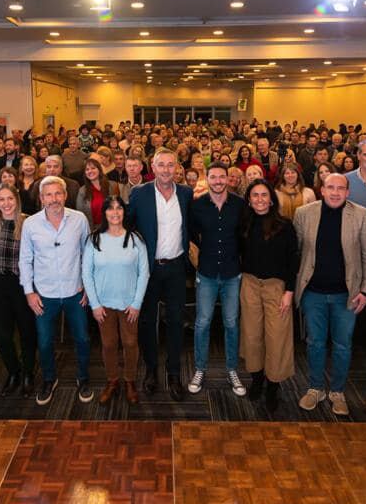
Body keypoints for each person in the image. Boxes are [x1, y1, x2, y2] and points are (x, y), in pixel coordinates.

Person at [293, 173, 366, 416]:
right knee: (315, 343)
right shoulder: (304, 213)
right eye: (330, 187)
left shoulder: (360, 214)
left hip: (347, 294)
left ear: (348, 192)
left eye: (341, 188)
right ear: (322, 189)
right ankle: (315, 388)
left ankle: (337, 392)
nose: (335, 192)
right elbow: (296, 252)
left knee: (342, 345)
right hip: (313, 293)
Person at [126, 148, 194, 401]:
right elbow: (128, 228)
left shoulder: (186, 194)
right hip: (148, 269)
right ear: (152, 168)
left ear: (177, 168)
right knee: (147, 321)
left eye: (170, 165)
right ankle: (151, 370)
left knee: (176, 321)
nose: (166, 170)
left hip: (176, 267)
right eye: (161, 165)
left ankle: (174, 373)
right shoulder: (139, 194)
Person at [19, 176, 93, 405]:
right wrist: (29, 292)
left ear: (65, 195)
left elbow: (88, 254)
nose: (54, 199)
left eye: (58, 194)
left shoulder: (79, 219)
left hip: (75, 291)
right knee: (44, 341)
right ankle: (50, 379)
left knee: (82, 338)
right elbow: (25, 260)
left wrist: (88, 287)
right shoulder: (30, 224)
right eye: (48, 195)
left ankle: (83, 377)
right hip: (44, 295)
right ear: (41, 198)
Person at [83, 195, 150, 405]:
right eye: (110, 208)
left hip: (130, 304)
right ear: (104, 213)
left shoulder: (135, 239)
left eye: (119, 208)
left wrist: (137, 303)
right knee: (109, 344)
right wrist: (94, 304)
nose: (115, 212)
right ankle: (112, 380)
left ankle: (129, 380)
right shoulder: (94, 239)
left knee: (130, 343)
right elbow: (87, 274)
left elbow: (144, 272)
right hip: (103, 305)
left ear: (124, 212)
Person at [186, 161, 246, 396]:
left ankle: (232, 370)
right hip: (207, 273)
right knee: (202, 323)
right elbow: (191, 234)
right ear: (207, 179)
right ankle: (200, 369)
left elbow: (245, 234)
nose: (218, 181)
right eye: (214, 177)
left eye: (222, 177)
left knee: (231, 323)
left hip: (233, 273)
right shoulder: (198, 206)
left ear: (228, 179)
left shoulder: (240, 205)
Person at [239, 179, 299, 412]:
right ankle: (257, 380)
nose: (260, 200)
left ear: (272, 199)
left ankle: (274, 387)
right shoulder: (245, 222)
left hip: (277, 287)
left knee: (277, 338)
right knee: (252, 336)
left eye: (264, 195)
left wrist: (289, 292)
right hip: (250, 284)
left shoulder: (285, 225)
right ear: (249, 199)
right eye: (255, 195)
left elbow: (293, 259)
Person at [0, 184, 36, 397]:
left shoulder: (28, 222)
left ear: (17, 199)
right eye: (1, 200)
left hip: (22, 283)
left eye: (10, 199)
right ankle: (13, 371)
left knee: (27, 332)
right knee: (1, 334)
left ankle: (28, 373)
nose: (6, 204)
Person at [76, 158, 121, 229]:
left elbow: (119, 208)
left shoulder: (113, 186)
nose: (90, 171)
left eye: (93, 168)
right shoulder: (82, 191)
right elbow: (80, 214)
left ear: (99, 170)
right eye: (87, 169)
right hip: (93, 230)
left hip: (113, 227)